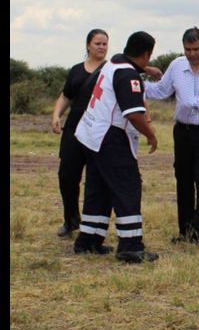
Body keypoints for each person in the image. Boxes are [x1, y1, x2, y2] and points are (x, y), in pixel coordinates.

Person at [72, 31, 159, 263]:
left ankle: (88, 240)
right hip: (110, 138)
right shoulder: (127, 75)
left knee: (98, 189)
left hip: (91, 135)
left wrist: (145, 70)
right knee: (128, 188)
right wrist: (151, 135)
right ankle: (131, 246)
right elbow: (134, 114)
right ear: (146, 53)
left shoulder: (113, 63)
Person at [143, 27, 199, 245]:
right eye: (187, 49)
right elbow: (161, 91)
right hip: (182, 131)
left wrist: (196, 103)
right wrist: (135, 84)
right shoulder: (176, 65)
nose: (192, 54)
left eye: (196, 49)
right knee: (182, 179)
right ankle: (185, 231)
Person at [50, 29, 110, 238]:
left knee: (96, 179)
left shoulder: (110, 70)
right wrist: (56, 115)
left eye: (104, 44)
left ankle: (93, 224)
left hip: (98, 130)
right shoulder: (76, 70)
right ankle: (70, 220)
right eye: (97, 44)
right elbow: (65, 96)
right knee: (67, 176)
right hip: (74, 129)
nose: (101, 47)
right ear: (88, 45)